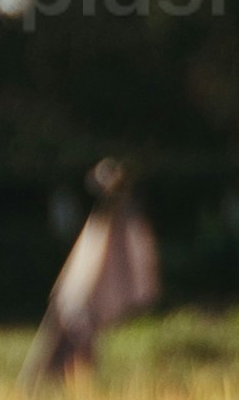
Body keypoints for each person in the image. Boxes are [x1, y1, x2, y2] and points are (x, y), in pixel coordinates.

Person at [26, 155, 157, 385]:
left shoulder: (122, 222)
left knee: (77, 339)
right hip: (80, 296)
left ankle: (69, 386)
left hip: (87, 297)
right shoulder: (105, 220)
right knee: (69, 341)